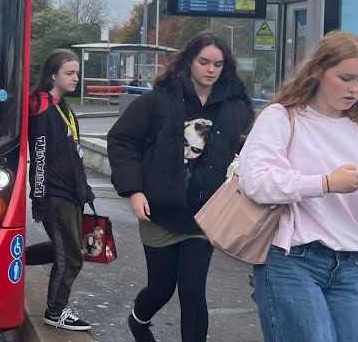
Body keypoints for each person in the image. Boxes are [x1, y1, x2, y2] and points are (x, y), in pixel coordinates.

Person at [239, 31, 358, 342]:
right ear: (317, 71)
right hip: (291, 260)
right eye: (345, 78)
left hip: (348, 264)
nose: (354, 89)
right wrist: (327, 183)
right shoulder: (283, 117)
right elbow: (256, 182)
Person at [107, 31, 253, 342]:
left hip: (205, 215)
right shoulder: (159, 100)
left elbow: (252, 151)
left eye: (218, 64)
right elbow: (122, 140)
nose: (211, 69)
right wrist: (134, 190)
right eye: (204, 62)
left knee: (191, 288)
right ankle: (139, 319)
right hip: (159, 210)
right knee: (161, 288)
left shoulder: (236, 106)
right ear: (188, 61)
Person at [24, 49, 94, 331]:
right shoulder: (42, 109)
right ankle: (55, 311)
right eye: (69, 73)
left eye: (77, 72)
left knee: (65, 249)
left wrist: (84, 189)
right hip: (55, 194)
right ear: (53, 75)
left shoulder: (60, 105)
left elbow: (70, 153)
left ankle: (12, 259)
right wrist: (39, 199)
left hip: (70, 191)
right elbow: (39, 158)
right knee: (72, 256)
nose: (76, 77)